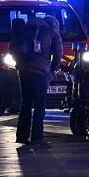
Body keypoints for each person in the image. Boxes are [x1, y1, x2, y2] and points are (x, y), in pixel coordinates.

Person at [15, 14, 62, 147]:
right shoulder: (52, 32)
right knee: (40, 106)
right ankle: (37, 138)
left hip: (23, 70)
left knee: (26, 104)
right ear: (54, 25)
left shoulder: (28, 27)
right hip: (40, 72)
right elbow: (58, 54)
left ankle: (22, 136)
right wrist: (53, 70)